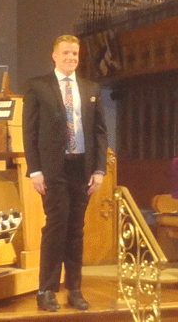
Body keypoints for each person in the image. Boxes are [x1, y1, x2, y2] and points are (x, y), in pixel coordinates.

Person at [22, 34, 108, 312]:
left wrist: (99, 169)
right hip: (52, 169)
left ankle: (75, 289)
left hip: (82, 168)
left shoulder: (90, 87)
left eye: (75, 54)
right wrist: (35, 170)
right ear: (54, 55)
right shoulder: (38, 86)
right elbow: (30, 132)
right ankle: (46, 290)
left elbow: (99, 132)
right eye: (66, 53)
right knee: (56, 228)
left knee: (76, 230)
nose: (71, 57)